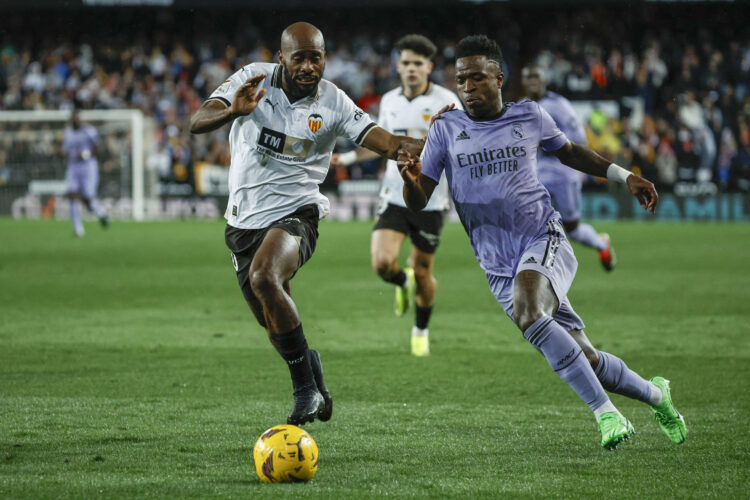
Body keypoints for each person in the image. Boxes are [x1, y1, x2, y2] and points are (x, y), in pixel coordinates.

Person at [398, 35, 686, 449]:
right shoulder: (445, 129)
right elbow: (419, 196)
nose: (467, 87)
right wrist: (410, 184)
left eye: (477, 78)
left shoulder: (529, 115)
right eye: (461, 80)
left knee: (530, 312)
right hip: (496, 264)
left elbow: (571, 152)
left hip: (542, 237)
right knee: (585, 357)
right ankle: (658, 396)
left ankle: (607, 415)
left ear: (499, 79)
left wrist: (626, 176)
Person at [189, 22, 422, 426]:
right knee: (273, 324)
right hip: (244, 220)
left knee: (265, 277)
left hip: (298, 211)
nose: (309, 66)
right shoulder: (252, 78)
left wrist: (434, 141)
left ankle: (305, 392)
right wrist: (233, 111)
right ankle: (312, 370)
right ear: (282, 57)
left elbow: (383, 141)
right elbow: (197, 120)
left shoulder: (333, 102)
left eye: (316, 57)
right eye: (300, 57)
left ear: (324, 58)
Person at [331, 34, 462, 356]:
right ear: (398, 66)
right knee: (381, 263)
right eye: (406, 63)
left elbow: (459, 149)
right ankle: (402, 284)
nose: (411, 69)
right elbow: (381, 145)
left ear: (429, 66)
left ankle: (420, 330)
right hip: (393, 193)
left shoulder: (448, 101)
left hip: (430, 197)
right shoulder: (389, 100)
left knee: (423, 271)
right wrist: (346, 158)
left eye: (418, 63)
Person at [521, 65, 616, 270]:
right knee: (526, 219)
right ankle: (537, 264)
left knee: (572, 228)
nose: (532, 80)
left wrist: (548, 144)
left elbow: (578, 139)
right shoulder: (521, 106)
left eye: (536, 75)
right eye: (528, 77)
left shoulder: (559, 105)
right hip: (537, 170)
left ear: (544, 79)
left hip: (563, 170)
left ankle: (601, 243)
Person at [62, 109, 108, 237]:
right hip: (73, 166)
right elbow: (65, 150)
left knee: (87, 198)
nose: (75, 120)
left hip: (88, 166)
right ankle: (78, 229)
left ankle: (101, 212)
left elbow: (98, 147)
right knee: (71, 195)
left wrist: (85, 154)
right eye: (73, 118)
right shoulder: (68, 132)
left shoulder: (89, 130)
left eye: (77, 118)